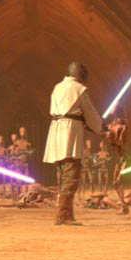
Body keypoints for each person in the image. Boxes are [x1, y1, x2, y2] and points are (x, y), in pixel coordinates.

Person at [43, 61, 103, 226]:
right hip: (69, 133)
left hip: (56, 131)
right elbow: (89, 112)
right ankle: (63, 215)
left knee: (64, 176)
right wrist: (101, 128)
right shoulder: (78, 89)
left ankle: (66, 214)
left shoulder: (57, 87)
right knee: (71, 176)